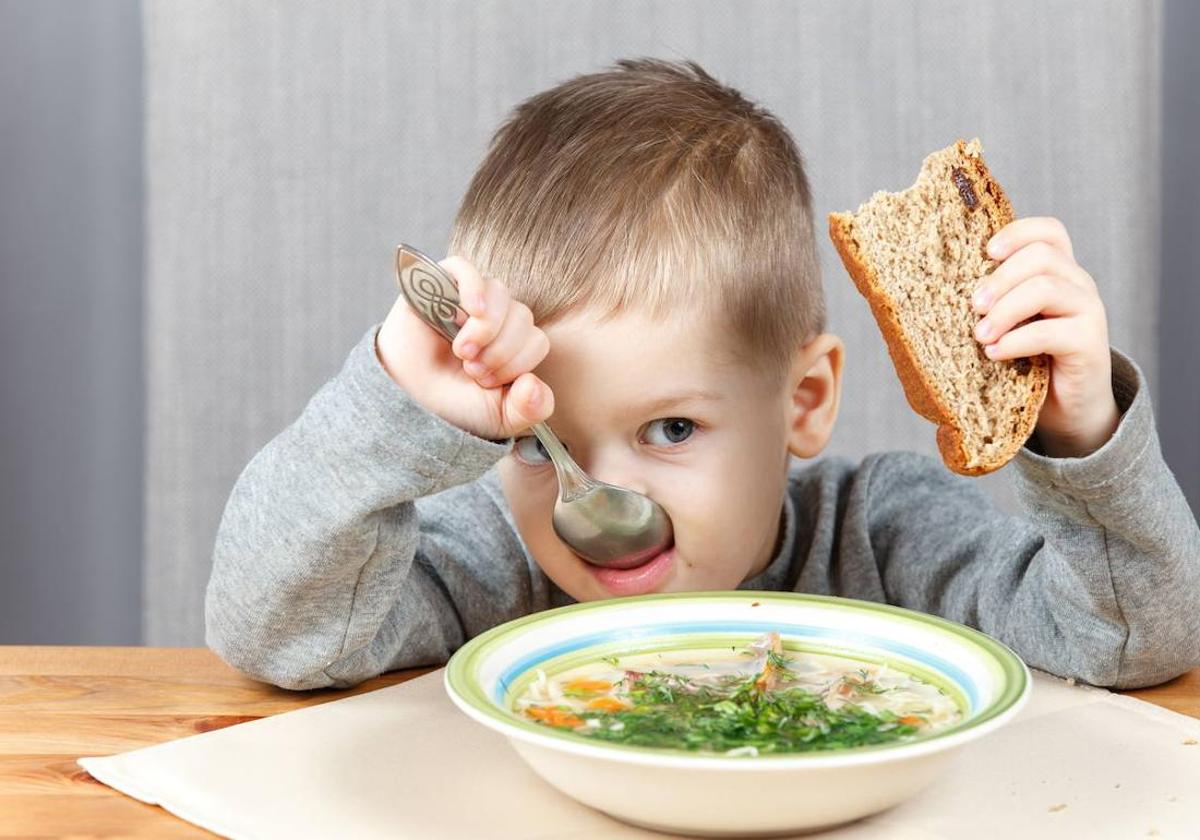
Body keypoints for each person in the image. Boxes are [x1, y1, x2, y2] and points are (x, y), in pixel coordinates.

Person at [206, 58, 1200, 691]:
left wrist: (1082, 434)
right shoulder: (493, 563)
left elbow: (1132, 639)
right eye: (536, 440)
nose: (602, 492)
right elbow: (280, 637)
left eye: (671, 429)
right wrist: (392, 395)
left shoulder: (886, 542)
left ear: (803, 401)